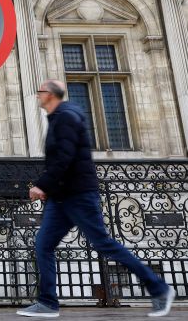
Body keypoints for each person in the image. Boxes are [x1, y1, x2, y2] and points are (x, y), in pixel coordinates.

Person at [16, 80, 175, 318]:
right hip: (61, 197)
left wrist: (42, 185)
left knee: (104, 244)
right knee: (43, 245)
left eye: (40, 92)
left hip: (78, 195)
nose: (37, 96)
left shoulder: (66, 117)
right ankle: (48, 303)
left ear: (49, 95)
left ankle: (160, 289)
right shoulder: (60, 117)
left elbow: (65, 157)